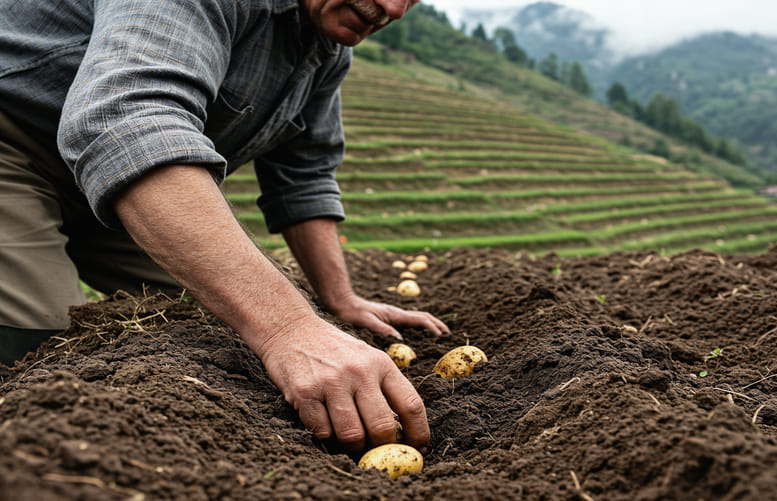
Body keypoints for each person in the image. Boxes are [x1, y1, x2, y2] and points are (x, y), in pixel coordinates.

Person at [0, 0, 449, 454]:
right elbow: (126, 119)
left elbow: (303, 176)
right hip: (14, 144)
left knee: (229, 321)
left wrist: (337, 300)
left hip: (109, 188)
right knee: (45, 354)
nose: (392, 7)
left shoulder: (323, 48)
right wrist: (288, 329)